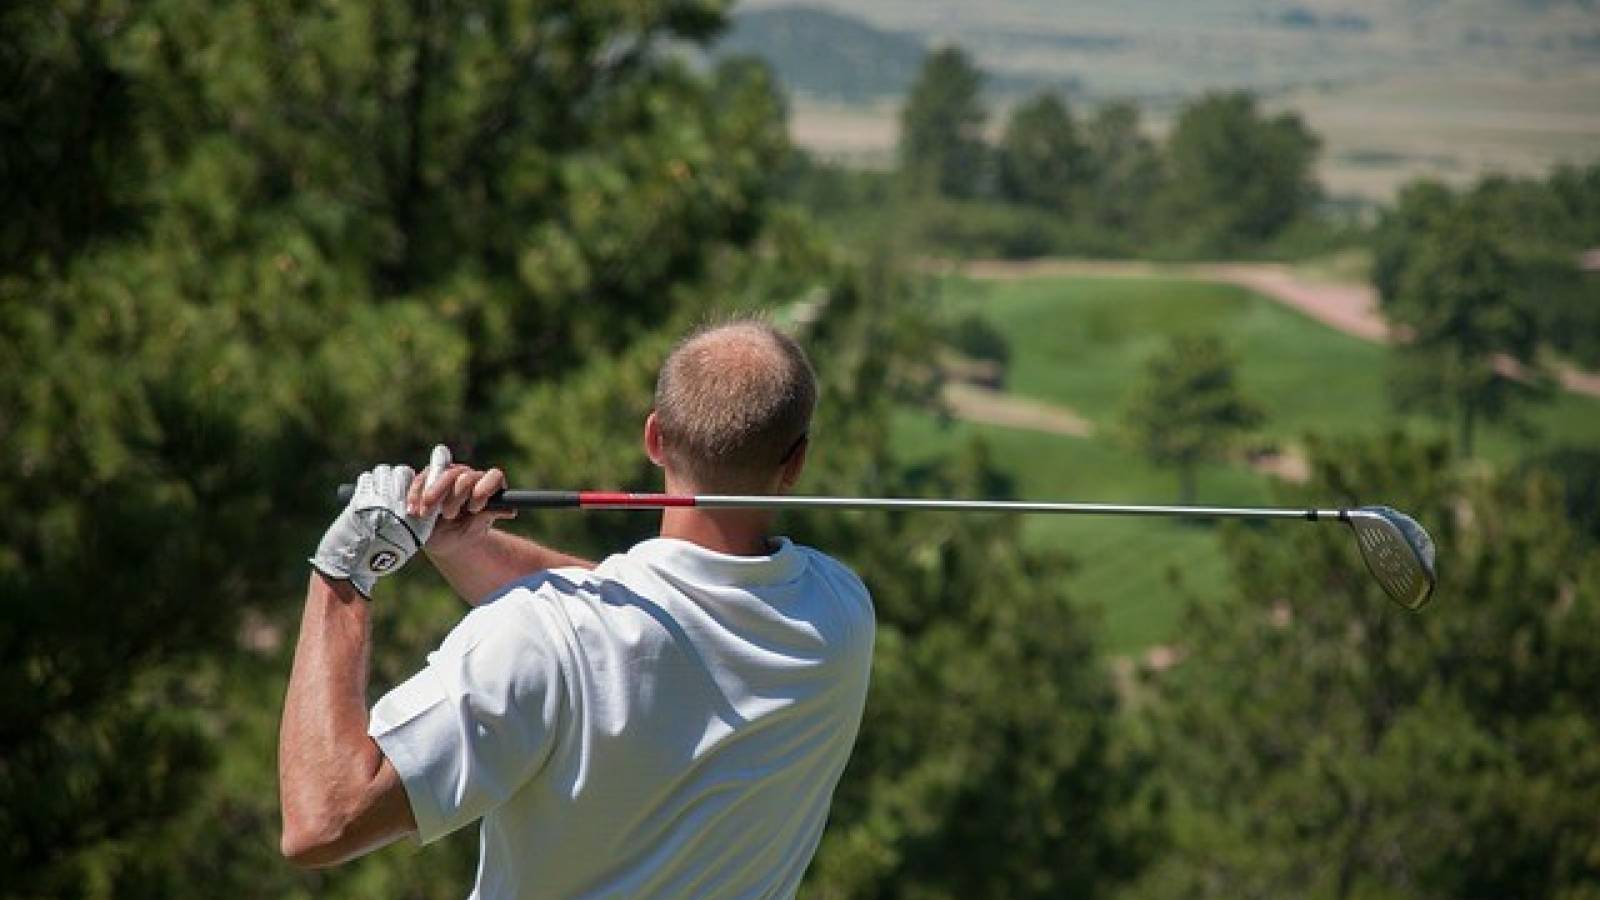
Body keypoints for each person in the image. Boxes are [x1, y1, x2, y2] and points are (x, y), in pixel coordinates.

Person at [278, 319, 875, 898]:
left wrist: (345, 573)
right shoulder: (842, 613)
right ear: (795, 462)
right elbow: (651, 610)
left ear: (655, 438)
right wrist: (468, 548)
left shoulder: (541, 635)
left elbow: (325, 819)